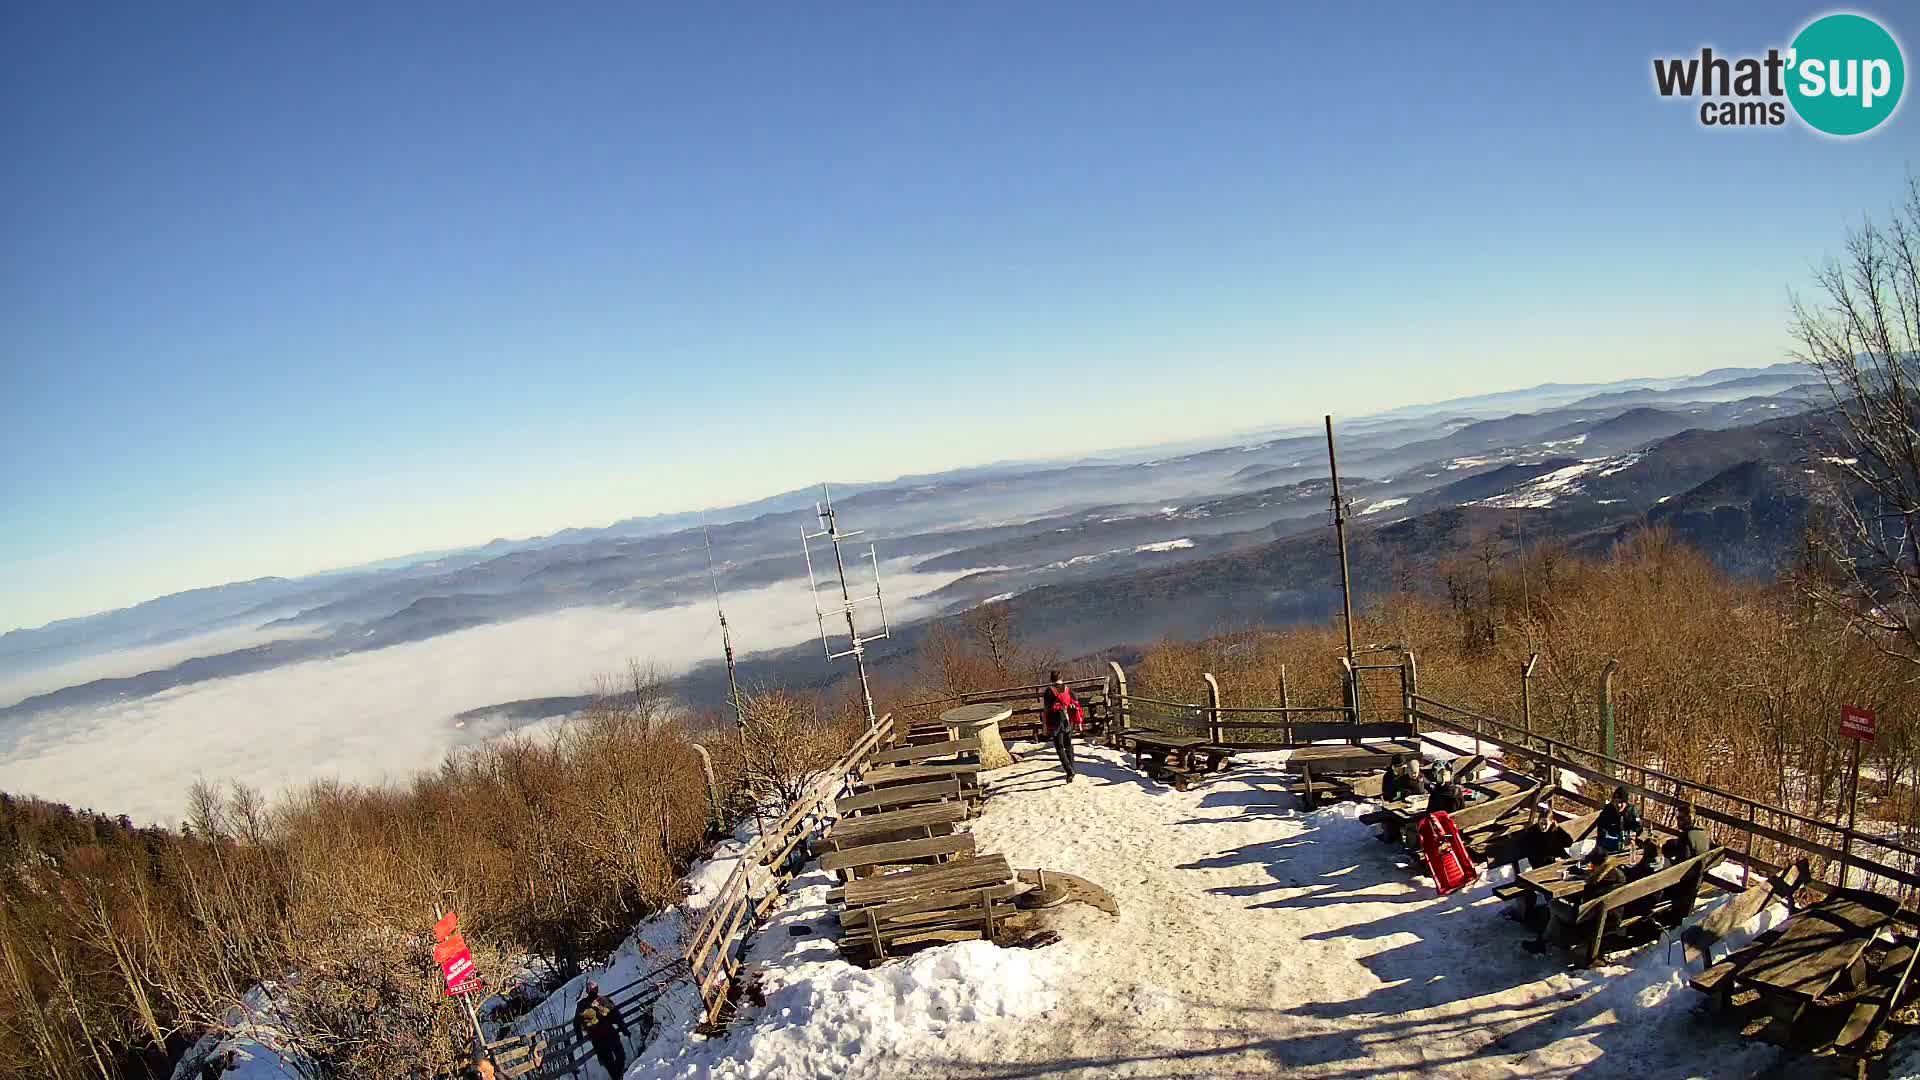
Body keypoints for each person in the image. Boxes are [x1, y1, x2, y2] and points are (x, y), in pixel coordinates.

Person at [574, 979, 630, 1078]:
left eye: (593, 989)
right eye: (590, 989)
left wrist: (623, 1028)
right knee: (610, 1060)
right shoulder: (583, 1004)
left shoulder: (603, 1000)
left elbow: (616, 1015)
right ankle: (617, 1076)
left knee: (618, 1057)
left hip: (607, 1034)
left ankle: (617, 1076)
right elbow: (577, 1021)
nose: (592, 991)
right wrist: (579, 1034)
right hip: (599, 1037)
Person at [1041, 671, 1084, 782]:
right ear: (1062, 678)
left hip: (1054, 722)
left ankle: (1069, 770)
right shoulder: (1069, 690)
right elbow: (1076, 706)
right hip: (1067, 720)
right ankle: (1072, 768)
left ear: (1051, 680)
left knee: (1059, 747)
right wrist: (1079, 722)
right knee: (1068, 745)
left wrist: (1045, 725)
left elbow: (1046, 709)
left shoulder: (1049, 692)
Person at [1518, 804, 1573, 871]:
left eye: (1546, 824)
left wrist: (1558, 829)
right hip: (1543, 865)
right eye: (1541, 823)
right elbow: (1534, 857)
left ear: (1551, 822)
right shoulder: (1532, 832)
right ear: (1538, 822)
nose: (1543, 827)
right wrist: (1553, 860)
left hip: (1560, 860)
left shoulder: (1554, 829)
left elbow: (1568, 843)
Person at [1593, 786, 1642, 859]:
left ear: (1626, 802)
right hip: (1611, 840)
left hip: (1627, 841)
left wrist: (1632, 835)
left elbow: (1638, 827)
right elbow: (1601, 825)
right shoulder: (1609, 809)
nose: (1619, 805)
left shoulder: (1632, 810)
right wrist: (1601, 840)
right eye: (1617, 802)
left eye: (1622, 802)